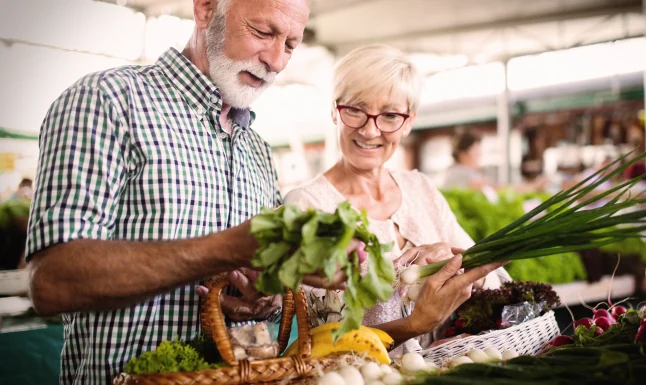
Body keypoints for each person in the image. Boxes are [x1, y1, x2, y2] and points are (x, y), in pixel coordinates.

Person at [24, 1, 457, 383]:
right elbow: (51, 282)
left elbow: (265, 302)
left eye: (290, 44)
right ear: (206, 8)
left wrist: (260, 300)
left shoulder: (255, 150)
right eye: (263, 32)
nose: (275, 60)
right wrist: (227, 249)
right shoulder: (107, 101)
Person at [283, 45, 509, 356]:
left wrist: (455, 265)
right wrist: (414, 324)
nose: (370, 129)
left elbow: (492, 279)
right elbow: (319, 340)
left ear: (408, 122)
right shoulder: (307, 205)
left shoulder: (421, 189)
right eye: (356, 110)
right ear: (335, 111)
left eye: (389, 115)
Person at [443, 131, 548, 202]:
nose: (479, 157)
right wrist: (533, 186)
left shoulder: (462, 172)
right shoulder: (459, 173)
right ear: (462, 154)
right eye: (476, 154)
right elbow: (497, 190)